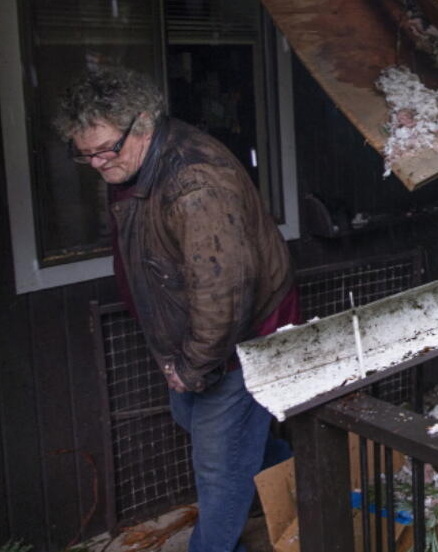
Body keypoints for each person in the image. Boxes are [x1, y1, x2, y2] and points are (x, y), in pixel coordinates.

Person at [54, 65, 300, 552]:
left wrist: (191, 366)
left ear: (143, 123)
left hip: (236, 342)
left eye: (106, 150)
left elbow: (224, 294)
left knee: (220, 470)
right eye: (86, 155)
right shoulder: (136, 160)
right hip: (191, 339)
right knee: (206, 427)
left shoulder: (194, 183)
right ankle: (291, 475)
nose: (99, 164)